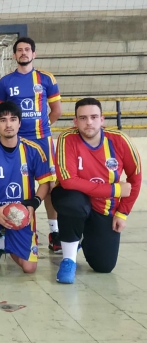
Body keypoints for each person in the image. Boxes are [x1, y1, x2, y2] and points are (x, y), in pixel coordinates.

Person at [52, 97, 141, 284]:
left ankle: (82, 238)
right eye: (83, 118)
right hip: (76, 202)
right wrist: (114, 189)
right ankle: (68, 259)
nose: (89, 122)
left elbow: (135, 178)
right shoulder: (67, 139)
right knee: (72, 202)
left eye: (94, 117)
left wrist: (122, 213)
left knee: (104, 267)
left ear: (102, 120)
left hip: (104, 208)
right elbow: (68, 181)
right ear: (75, 121)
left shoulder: (121, 141)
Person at [0, 37, 63, 253]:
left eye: (27, 50)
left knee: (50, 186)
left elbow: (57, 111)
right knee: (11, 184)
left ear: (34, 54)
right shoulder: (5, 82)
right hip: (15, 144)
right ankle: (6, 227)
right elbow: (0, 114)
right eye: (19, 50)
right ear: (14, 55)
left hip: (42, 141)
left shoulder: (46, 79)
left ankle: (54, 233)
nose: (23, 53)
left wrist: (40, 128)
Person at [0, 101, 52, 280]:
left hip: (21, 211)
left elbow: (45, 183)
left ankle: (1, 243)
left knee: (29, 268)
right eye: (3, 120)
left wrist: (33, 204)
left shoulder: (33, 150)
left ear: (19, 123)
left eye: (13, 119)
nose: (8, 124)